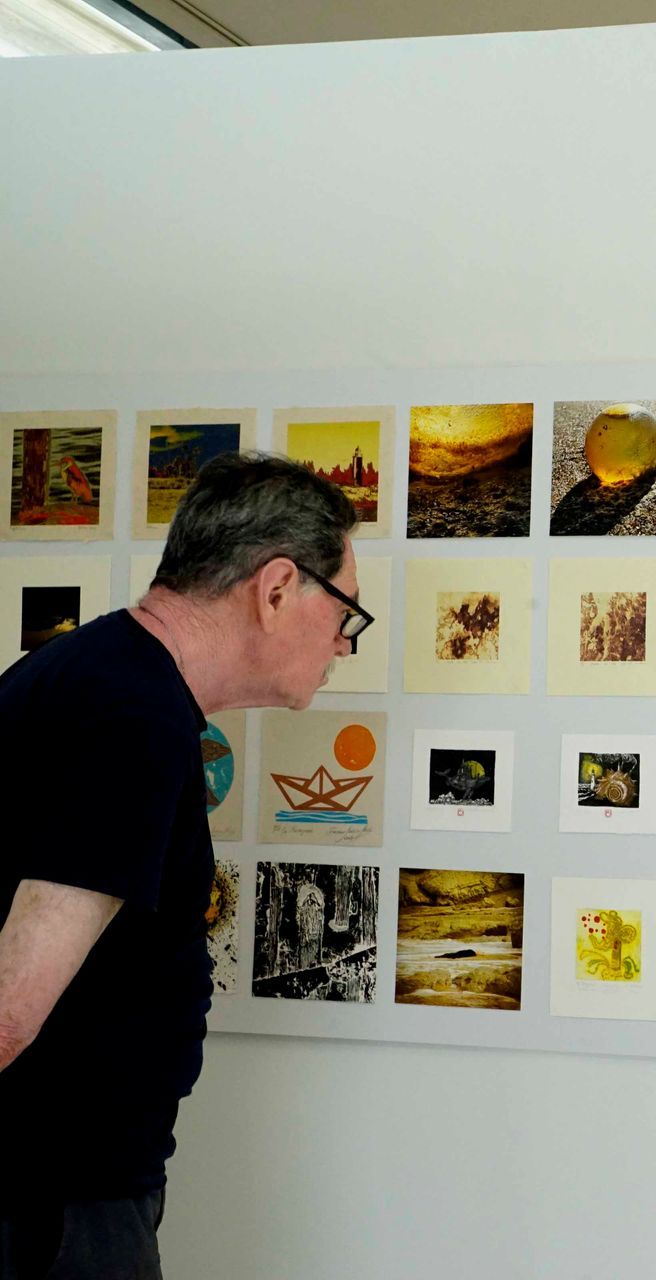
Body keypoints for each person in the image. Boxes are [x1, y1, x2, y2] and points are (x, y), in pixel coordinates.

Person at [0, 453, 371, 1280]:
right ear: (277, 589)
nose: (344, 642)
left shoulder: (89, 670)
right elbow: (9, 1006)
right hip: (52, 1202)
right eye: (346, 610)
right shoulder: (129, 713)